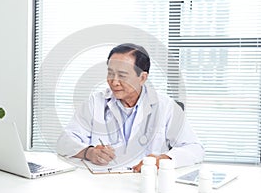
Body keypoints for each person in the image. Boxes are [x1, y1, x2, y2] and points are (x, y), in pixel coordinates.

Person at [57, 43, 204, 172]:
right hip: (103, 182)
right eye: (110, 73)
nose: (114, 82)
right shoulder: (95, 102)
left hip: (147, 181)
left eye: (122, 75)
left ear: (142, 78)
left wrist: (164, 159)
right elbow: (64, 141)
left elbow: (195, 148)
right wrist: (88, 153)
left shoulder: (166, 106)